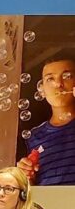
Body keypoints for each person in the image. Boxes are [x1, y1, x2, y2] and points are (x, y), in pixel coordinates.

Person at [17, 53, 75, 185]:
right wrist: (26, 177)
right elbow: (34, 186)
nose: (58, 84)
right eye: (50, 79)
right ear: (41, 90)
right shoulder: (33, 137)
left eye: (67, 76)